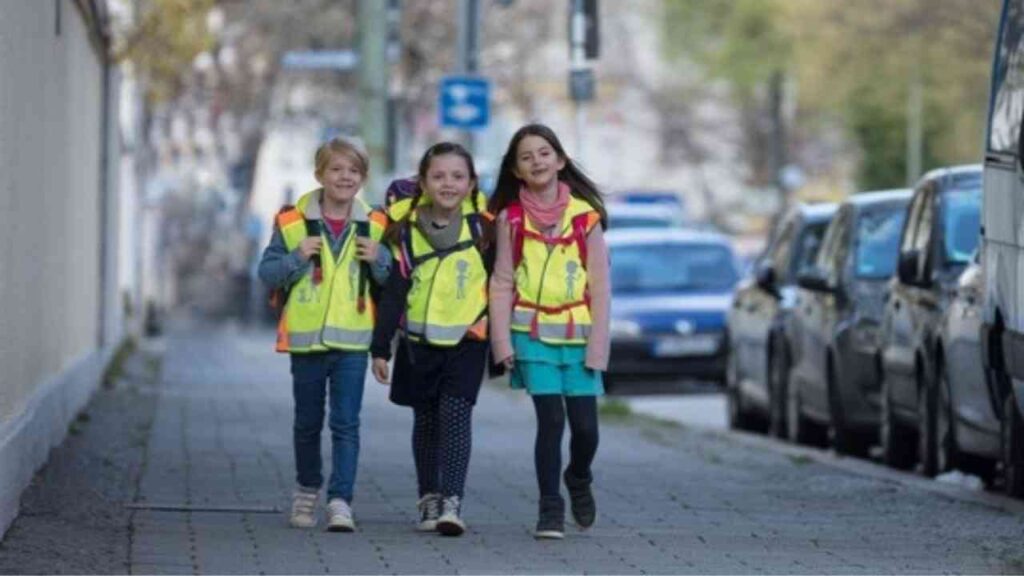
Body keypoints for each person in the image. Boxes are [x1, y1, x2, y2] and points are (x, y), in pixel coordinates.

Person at [257, 137, 391, 532]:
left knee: (347, 423)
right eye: (336, 169)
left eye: (353, 171)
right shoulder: (291, 222)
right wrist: (298, 257)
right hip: (307, 340)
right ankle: (306, 491)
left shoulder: (377, 224)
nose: (344, 177)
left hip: (353, 341)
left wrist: (380, 259)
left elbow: (392, 282)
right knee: (307, 421)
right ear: (320, 174)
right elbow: (266, 273)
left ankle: (340, 500)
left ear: (362, 178)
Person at [487, 124, 610, 540]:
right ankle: (549, 509)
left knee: (587, 430)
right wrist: (502, 343)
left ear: (559, 160)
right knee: (551, 421)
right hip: (533, 336)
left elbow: (601, 288)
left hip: (579, 337)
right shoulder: (511, 220)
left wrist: (599, 349)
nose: (536, 161)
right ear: (516, 171)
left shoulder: (585, 220)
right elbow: (502, 282)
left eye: (544, 153)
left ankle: (578, 477)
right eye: (526, 156)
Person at [370, 142, 493, 537]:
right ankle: (428, 495)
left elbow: (502, 284)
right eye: (438, 176)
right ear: (422, 182)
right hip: (418, 345)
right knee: (425, 422)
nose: (448, 184)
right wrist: (380, 347)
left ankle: (452, 502)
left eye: (458, 176)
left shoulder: (484, 229)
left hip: (467, 342)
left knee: (456, 418)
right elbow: (394, 293)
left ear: (472, 183)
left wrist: (503, 339)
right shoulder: (406, 233)